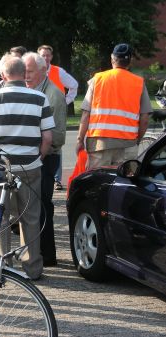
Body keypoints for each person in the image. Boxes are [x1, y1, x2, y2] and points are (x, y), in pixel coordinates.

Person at [0, 53, 54, 280]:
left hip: (0, 166)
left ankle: (3, 265)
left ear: (4, 74)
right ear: (23, 74)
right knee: (31, 217)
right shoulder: (39, 98)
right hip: (30, 165)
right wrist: (39, 158)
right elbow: (47, 137)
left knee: (0, 216)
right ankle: (32, 267)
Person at [76, 43, 152, 170]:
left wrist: (80, 140)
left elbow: (86, 114)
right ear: (130, 61)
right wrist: (136, 141)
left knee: (98, 184)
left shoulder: (98, 79)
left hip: (100, 144)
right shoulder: (138, 82)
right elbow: (144, 119)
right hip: (128, 145)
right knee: (124, 186)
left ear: (112, 59)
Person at [23, 51, 67, 267]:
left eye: (30, 71)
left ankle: (47, 255)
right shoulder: (28, 90)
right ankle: (34, 252)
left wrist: (38, 148)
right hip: (30, 157)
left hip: (45, 158)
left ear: (43, 70)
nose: (26, 75)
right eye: (24, 71)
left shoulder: (53, 95)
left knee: (42, 206)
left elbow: (58, 136)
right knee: (31, 207)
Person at [38, 44, 78, 190]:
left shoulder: (58, 72)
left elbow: (74, 85)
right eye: (43, 55)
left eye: (48, 55)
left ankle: (57, 179)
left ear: (51, 57)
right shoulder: (34, 71)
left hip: (54, 112)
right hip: (38, 111)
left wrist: (66, 101)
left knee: (55, 144)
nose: (46, 58)